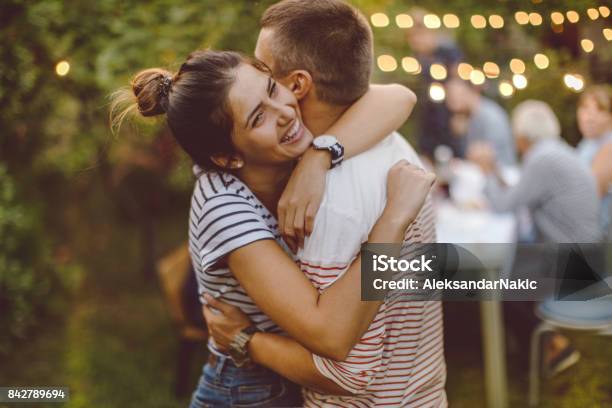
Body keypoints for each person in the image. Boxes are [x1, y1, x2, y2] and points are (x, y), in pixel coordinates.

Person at [112, 46, 433, 408]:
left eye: (270, 88)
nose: (284, 111)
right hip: (249, 391)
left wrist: (319, 157)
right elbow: (330, 335)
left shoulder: (289, 145)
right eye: (257, 119)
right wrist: (393, 220)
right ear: (228, 157)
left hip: (292, 376)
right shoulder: (224, 208)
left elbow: (397, 97)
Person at [202, 1, 446, 407]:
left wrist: (246, 339)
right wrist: (319, 154)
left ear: (296, 85)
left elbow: (346, 368)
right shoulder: (387, 141)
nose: (254, 73)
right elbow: (398, 95)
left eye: (263, 71)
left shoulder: (330, 203)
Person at [469, 100, 602, 377]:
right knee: (514, 266)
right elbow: (519, 196)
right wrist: (493, 171)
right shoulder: (553, 152)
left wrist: (484, 172)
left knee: (504, 287)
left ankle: (552, 348)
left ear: (521, 137)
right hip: (584, 251)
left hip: (575, 261)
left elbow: (504, 204)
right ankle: (534, 347)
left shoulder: (543, 160)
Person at [405, 7, 463, 159]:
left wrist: (459, 113)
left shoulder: (448, 52)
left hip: (447, 112)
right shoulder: (419, 57)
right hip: (429, 112)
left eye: (418, 36)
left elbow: (459, 80)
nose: (415, 41)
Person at [446, 77, 517, 166]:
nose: (452, 104)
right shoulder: (467, 118)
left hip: (502, 173)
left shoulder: (491, 115)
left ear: (472, 91)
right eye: (449, 98)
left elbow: (489, 156)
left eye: (456, 96)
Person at [576, 85, 612, 233]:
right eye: (585, 109)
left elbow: (590, 197)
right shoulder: (587, 144)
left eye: (599, 110)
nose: (589, 117)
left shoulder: (608, 148)